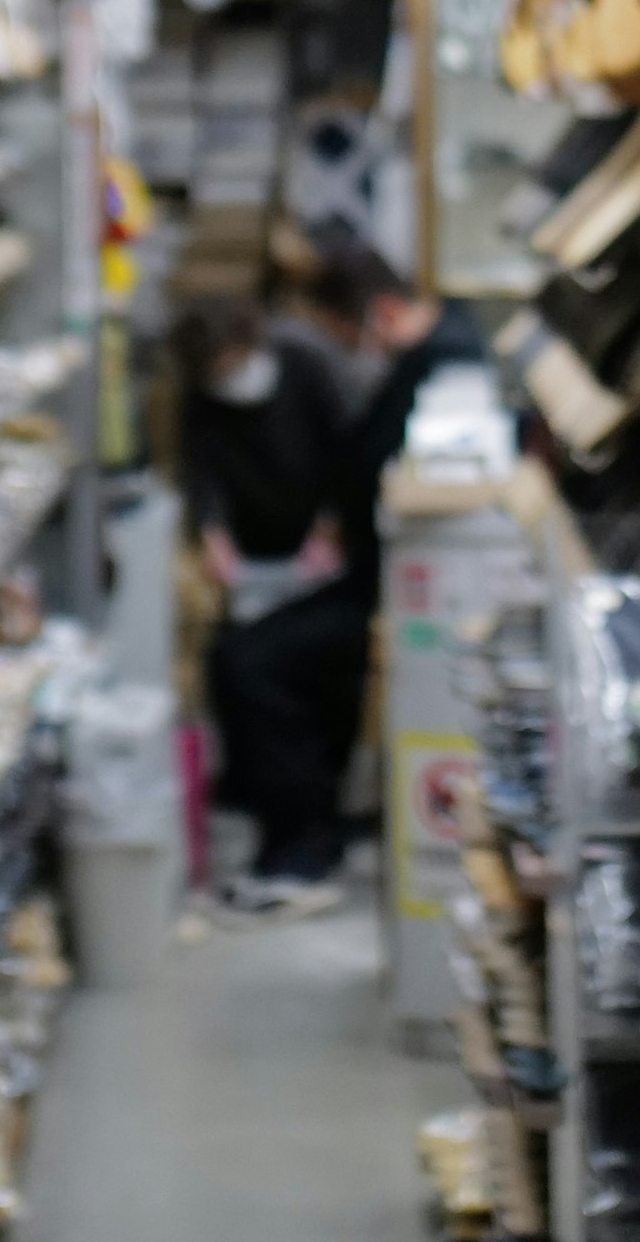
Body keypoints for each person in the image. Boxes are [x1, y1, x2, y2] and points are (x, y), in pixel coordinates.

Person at [180, 255, 452, 903]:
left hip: (342, 561)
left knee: (262, 668)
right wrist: (213, 533)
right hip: (274, 559)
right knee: (239, 661)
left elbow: (348, 450)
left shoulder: (311, 364)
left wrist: (330, 530)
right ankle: (289, 827)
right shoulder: (205, 395)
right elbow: (202, 471)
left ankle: (304, 844)